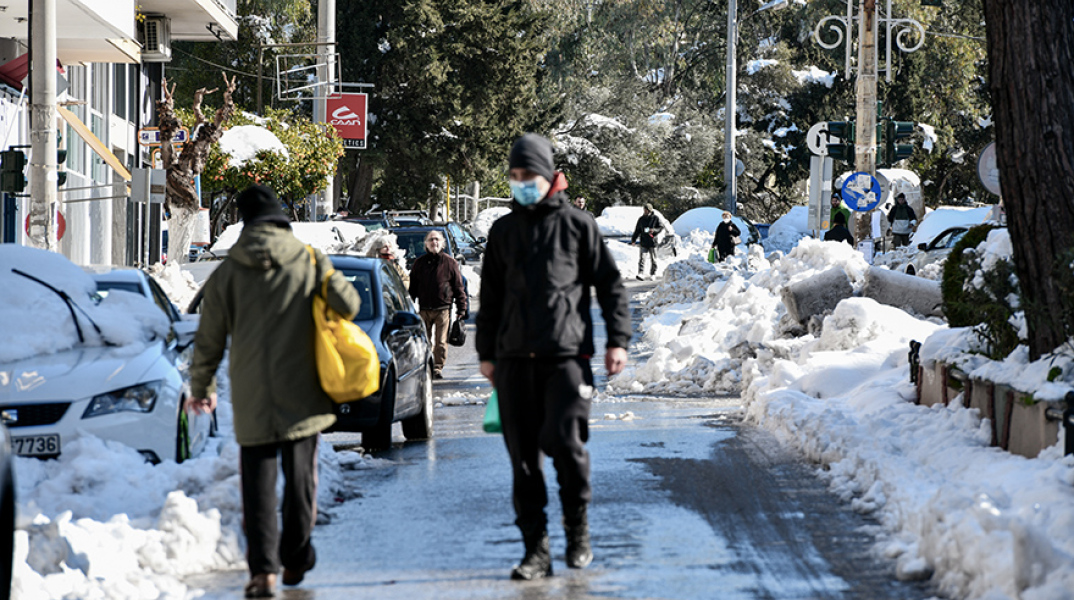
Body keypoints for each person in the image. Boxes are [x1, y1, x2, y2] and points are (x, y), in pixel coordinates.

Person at [186, 184, 362, 599]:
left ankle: (263, 572)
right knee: (302, 483)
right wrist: (324, 273)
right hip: (303, 391)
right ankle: (297, 555)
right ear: (281, 218)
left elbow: (208, 338)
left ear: (245, 222)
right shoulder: (309, 259)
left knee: (258, 489)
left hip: (252, 396)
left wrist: (202, 386)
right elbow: (349, 306)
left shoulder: (226, 273)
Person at [476, 133, 631, 581]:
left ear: (548, 177)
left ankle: (577, 530)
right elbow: (491, 294)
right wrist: (486, 353)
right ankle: (535, 550)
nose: (521, 182)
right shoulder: (503, 231)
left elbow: (611, 286)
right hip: (512, 360)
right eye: (514, 176)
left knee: (565, 446)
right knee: (523, 461)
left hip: (566, 357)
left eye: (528, 175)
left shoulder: (579, 225)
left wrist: (616, 340)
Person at [409, 230, 468, 379]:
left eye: (436, 240)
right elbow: (413, 288)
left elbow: (458, 287)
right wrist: (408, 305)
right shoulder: (419, 263)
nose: (434, 242)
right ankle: (426, 366)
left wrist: (462, 308)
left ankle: (437, 368)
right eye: (431, 240)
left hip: (443, 309)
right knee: (425, 341)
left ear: (442, 243)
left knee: (441, 342)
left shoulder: (450, 262)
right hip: (424, 309)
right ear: (426, 244)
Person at [630, 203, 663, 280]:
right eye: (644, 210)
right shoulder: (641, 219)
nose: (645, 211)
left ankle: (653, 273)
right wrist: (633, 239)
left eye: (646, 210)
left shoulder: (655, 218)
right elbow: (637, 230)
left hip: (652, 242)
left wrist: (654, 230)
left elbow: (661, 227)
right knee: (642, 259)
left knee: (653, 259)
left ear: (650, 211)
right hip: (643, 242)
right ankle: (641, 273)